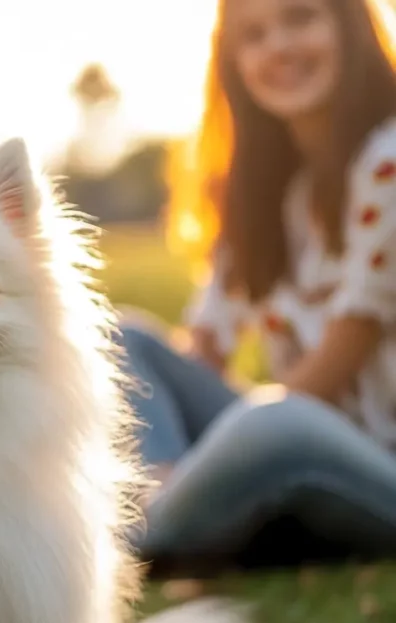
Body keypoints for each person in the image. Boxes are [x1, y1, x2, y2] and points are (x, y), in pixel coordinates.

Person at [121, 0, 396, 568]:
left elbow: (338, 361)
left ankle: (137, 537)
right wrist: (170, 453)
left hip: (377, 468)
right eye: (254, 35)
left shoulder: (388, 161)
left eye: (301, 18)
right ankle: (164, 506)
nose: (279, 47)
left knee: (276, 419)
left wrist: (222, 450)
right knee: (125, 340)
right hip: (294, 441)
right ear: (233, 62)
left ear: (349, 27)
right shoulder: (263, 190)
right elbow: (204, 349)